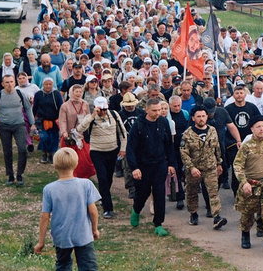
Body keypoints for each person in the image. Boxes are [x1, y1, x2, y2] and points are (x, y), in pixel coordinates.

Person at [32, 147, 101, 271]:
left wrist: (41, 241)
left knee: (63, 264)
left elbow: (45, 216)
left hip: (61, 236)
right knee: (88, 270)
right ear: (76, 164)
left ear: (55, 166)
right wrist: (94, 229)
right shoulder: (85, 184)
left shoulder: (49, 189)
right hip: (83, 235)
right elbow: (93, 211)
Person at [125, 97, 178, 233]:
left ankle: (158, 224)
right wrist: (134, 168)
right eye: (154, 110)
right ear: (147, 110)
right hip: (143, 165)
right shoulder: (139, 124)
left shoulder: (163, 122)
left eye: (159, 110)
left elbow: (169, 145)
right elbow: (131, 148)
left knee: (159, 193)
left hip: (160, 164)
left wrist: (171, 163)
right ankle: (136, 210)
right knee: (143, 193)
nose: (158, 113)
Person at [233, 118, 263, 252]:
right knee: (247, 214)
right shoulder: (246, 146)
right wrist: (244, 182)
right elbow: (237, 165)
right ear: (252, 129)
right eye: (258, 126)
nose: (261, 129)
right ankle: (245, 235)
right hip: (251, 186)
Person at [181, 106, 225, 229]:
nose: (201, 119)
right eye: (198, 116)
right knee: (192, 192)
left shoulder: (212, 130)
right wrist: (191, 167)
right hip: (194, 169)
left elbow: (217, 148)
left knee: (213, 192)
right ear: (193, 118)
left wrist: (219, 163)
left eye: (203, 116)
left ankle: (217, 217)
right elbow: (184, 153)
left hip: (210, 167)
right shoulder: (187, 134)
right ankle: (193, 214)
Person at [81, 91, 123, 215]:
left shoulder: (114, 114)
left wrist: (123, 149)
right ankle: (108, 208)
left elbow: (122, 132)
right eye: (101, 109)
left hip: (112, 150)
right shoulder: (90, 117)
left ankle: (102, 196)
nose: (103, 112)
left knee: (109, 177)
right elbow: (80, 128)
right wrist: (93, 115)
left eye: (105, 109)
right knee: (102, 177)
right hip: (97, 151)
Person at [0, 73, 32, 184]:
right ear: (2, 84)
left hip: (19, 124)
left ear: (15, 83)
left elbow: (28, 108)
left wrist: (32, 123)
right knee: (7, 151)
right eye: (7, 82)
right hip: (3, 126)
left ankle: (20, 175)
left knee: (22, 149)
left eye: (11, 82)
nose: (9, 84)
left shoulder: (20, 94)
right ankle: (10, 176)